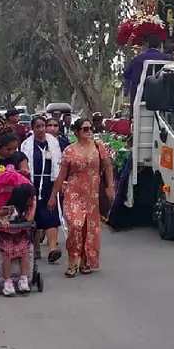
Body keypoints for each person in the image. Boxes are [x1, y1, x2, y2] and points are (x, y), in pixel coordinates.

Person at [49, 117, 115, 277]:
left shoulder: (99, 147)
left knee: (89, 229)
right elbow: (61, 175)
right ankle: (73, 260)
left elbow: (107, 166)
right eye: (85, 129)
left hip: (92, 195)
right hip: (73, 193)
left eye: (90, 128)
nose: (89, 131)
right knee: (75, 226)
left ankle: (86, 261)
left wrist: (110, 186)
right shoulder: (70, 151)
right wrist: (53, 195)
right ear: (76, 132)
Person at [0, 170, 36, 295]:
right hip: (4, 235)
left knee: (24, 250)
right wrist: (1, 221)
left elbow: (29, 220)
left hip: (18, 234)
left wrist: (33, 206)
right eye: (31, 199)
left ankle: (23, 278)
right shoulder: (10, 209)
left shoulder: (26, 210)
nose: (32, 200)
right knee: (8, 252)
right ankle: (7, 281)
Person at [21, 116, 64, 264]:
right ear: (33, 128)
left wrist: (55, 192)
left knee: (51, 215)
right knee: (33, 216)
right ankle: (36, 247)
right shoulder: (26, 145)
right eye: (37, 127)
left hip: (48, 184)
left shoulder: (53, 144)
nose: (41, 129)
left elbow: (58, 168)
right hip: (32, 183)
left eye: (43, 126)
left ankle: (52, 249)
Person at [123, 33, 173, 110]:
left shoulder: (137, 59)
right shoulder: (166, 59)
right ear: (160, 46)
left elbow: (127, 75)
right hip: (161, 99)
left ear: (147, 45)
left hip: (140, 97)